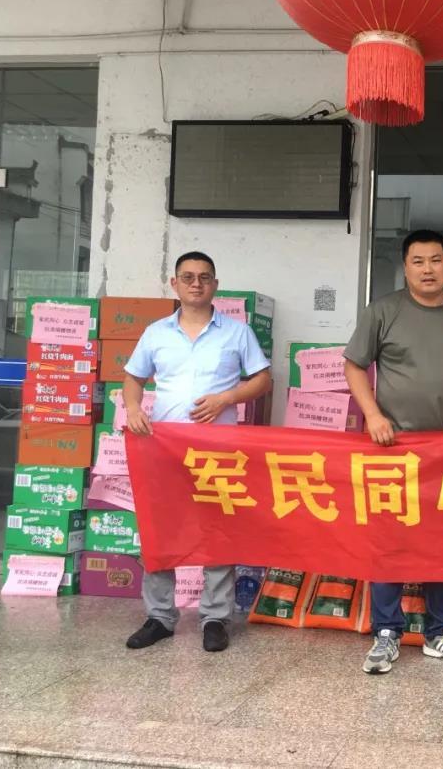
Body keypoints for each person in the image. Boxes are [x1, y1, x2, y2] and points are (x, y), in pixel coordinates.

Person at [343, 228, 443, 675]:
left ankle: (440, 631)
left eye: (435, 260)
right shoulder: (383, 311)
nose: (427, 269)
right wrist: (373, 415)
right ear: (406, 266)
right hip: (393, 449)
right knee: (390, 542)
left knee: (442, 543)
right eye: (418, 261)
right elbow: (354, 365)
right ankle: (386, 631)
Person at [122, 251, 273, 653]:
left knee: (216, 531)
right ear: (174, 284)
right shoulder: (156, 333)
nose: (196, 284)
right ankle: (159, 616)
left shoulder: (237, 332)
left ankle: (215, 618)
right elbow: (133, 378)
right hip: (164, 448)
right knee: (160, 531)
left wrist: (227, 398)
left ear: (215, 285)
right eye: (187, 277)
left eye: (204, 277)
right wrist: (134, 409)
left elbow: (263, 380)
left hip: (216, 450)